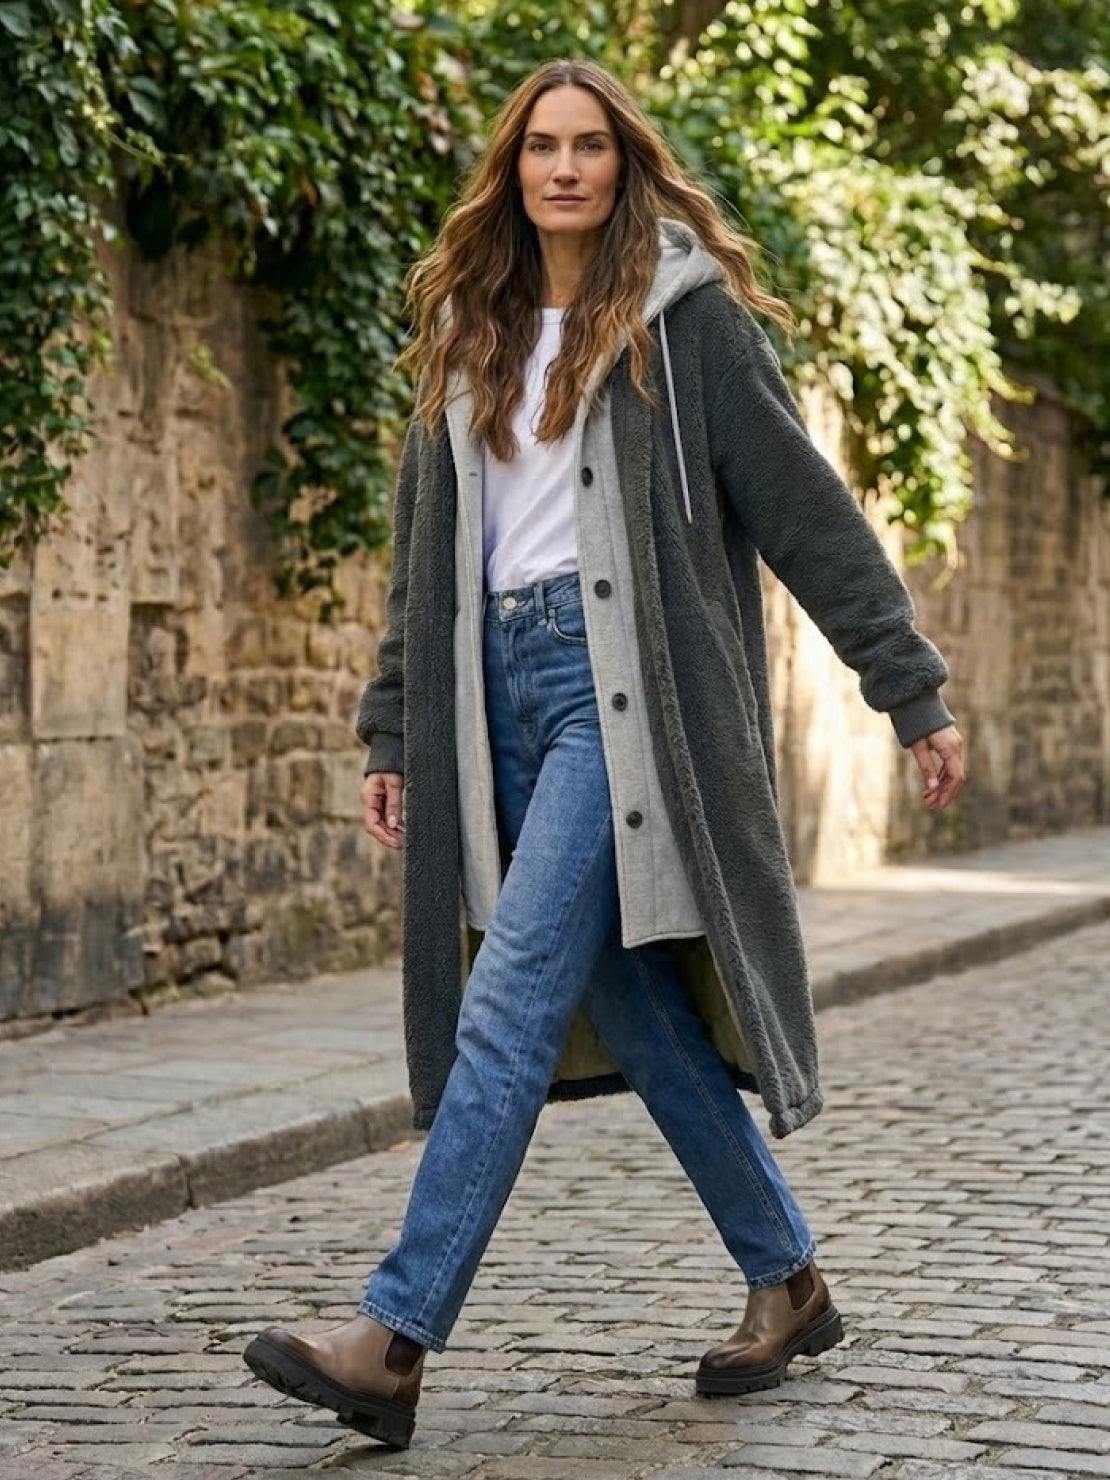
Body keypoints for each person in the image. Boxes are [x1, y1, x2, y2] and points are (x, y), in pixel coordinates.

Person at [243, 57, 967, 1449]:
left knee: (506, 1000)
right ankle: (789, 1276)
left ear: (625, 166)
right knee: (631, 1008)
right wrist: (393, 726)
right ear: (511, 173)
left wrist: (908, 686)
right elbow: (425, 563)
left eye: (588, 147)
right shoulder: (469, 327)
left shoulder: (683, 327)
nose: (563, 168)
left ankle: (391, 1341)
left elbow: (808, 515)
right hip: (485, 705)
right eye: (538, 148)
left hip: (613, 701)